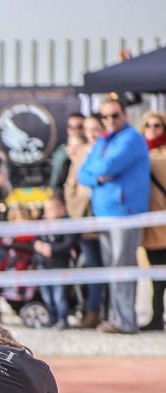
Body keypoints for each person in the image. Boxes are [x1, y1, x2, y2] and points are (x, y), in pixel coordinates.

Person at [78, 97, 151, 335]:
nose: (110, 120)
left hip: (125, 214)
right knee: (112, 267)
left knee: (123, 266)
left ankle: (126, 322)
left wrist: (98, 172)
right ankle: (118, 319)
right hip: (104, 214)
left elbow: (103, 168)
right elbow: (84, 174)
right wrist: (97, 174)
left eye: (114, 115)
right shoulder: (103, 140)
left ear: (125, 115)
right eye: (105, 116)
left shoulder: (131, 139)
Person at [63, 132, 103, 328]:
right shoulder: (82, 154)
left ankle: (103, 312)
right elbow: (71, 185)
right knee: (90, 268)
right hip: (83, 221)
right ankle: (90, 311)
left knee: (111, 270)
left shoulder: (106, 151)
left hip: (104, 218)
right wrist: (76, 211)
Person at [34, 195, 79, 330]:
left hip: (60, 265)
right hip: (43, 265)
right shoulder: (41, 225)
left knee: (60, 295)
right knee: (47, 295)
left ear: (61, 209)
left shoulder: (67, 224)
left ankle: (62, 319)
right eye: (47, 209)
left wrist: (52, 250)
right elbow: (36, 241)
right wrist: (38, 247)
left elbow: (69, 244)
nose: (48, 212)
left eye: (52, 209)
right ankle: (51, 317)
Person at [140, 111, 166, 331]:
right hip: (151, 227)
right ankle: (157, 316)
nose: (152, 129)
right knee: (156, 277)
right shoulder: (140, 154)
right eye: (147, 125)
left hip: (162, 222)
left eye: (157, 125)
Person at [49, 112, 86, 193]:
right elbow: (55, 182)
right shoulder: (60, 154)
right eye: (71, 127)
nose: (75, 130)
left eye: (80, 127)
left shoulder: (93, 151)